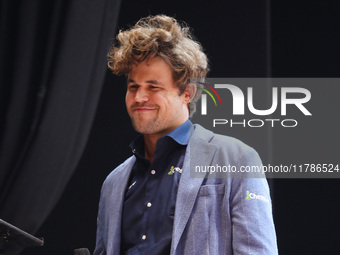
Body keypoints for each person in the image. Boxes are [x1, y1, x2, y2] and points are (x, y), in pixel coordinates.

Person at [94, 15, 278, 255]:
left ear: (187, 92)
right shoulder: (113, 182)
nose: (139, 97)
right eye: (133, 87)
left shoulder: (237, 159)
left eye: (153, 87)